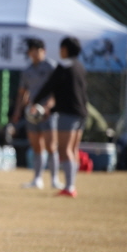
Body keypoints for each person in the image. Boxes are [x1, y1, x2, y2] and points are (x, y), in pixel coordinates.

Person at [32, 36, 88, 198]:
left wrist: (35, 102)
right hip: (82, 113)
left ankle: (69, 187)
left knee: (65, 149)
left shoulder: (64, 66)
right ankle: (71, 185)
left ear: (65, 49)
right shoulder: (80, 66)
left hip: (68, 113)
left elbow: (50, 85)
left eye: (61, 48)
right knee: (73, 149)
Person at [10, 38, 62, 189]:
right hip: (32, 113)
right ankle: (37, 179)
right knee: (36, 146)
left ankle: (54, 179)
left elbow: (57, 90)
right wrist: (18, 111)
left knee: (51, 146)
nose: (34, 54)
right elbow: (23, 93)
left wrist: (48, 106)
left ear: (43, 51)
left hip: (48, 113)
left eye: (37, 51)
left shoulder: (51, 67)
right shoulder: (27, 71)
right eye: (31, 51)